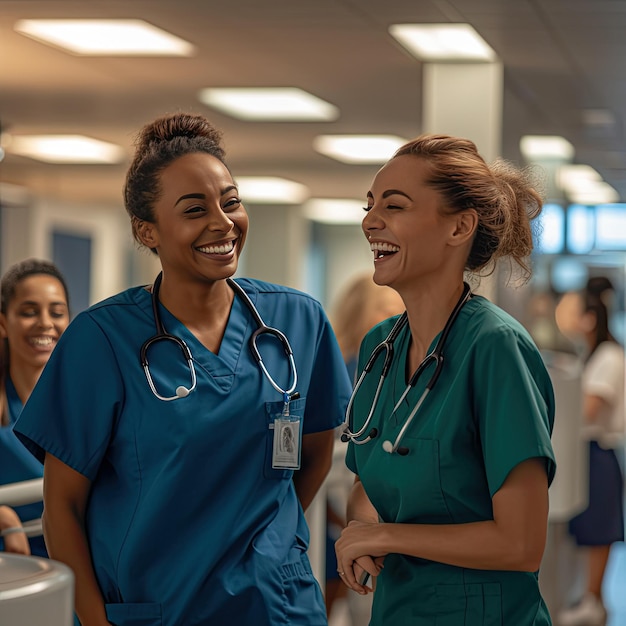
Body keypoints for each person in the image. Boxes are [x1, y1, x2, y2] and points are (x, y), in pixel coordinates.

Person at [14, 112, 352, 626]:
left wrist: (263, 546)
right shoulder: (102, 339)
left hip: (276, 606)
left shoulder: (296, 320)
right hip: (159, 607)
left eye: (230, 202)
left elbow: (313, 454)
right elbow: (62, 508)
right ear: (146, 229)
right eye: (195, 210)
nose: (222, 223)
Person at [334, 134, 557, 625]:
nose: (371, 220)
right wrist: (364, 525)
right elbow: (369, 483)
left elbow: (521, 544)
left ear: (459, 227)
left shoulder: (495, 348)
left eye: (394, 205)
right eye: (370, 205)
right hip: (397, 610)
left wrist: (386, 536)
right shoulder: (379, 348)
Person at [325, 274, 404, 623]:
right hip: (342, 517)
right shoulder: (348, 373)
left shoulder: (400, 371)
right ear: (357, 313)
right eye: (386, 311)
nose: (396, 321)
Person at [557, 277, 625, 626]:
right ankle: (589, 598)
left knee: (600, 529)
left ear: (589, 317)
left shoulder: (609, 356)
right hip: (587, 454)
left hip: (599, 453)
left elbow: (588, 410)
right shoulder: (592, 355)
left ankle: (594, 601)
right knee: (589, 529)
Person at [0, 258, 70, 557]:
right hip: (15, 563)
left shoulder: (87, 400)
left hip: (83, 562)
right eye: (29, 312)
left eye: (57, 312)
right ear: (3, 323)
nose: (45, 323)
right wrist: (4, 516)